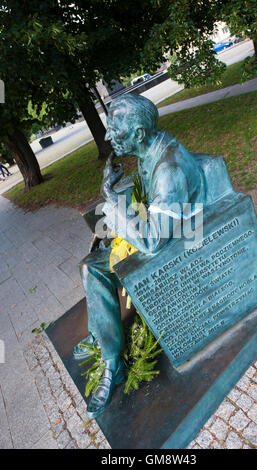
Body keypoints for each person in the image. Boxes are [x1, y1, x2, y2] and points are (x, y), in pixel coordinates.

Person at [74, 94, 205, 418]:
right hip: (166, 231)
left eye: (115, 130)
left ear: (138, 134)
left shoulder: (167, 170)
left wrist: (111, 200)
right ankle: (104, 335)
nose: (107, 136)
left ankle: (112, 364)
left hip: (182, 243)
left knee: (97, 269)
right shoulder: (150, 151)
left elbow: (153, 242)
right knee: (91, 266)